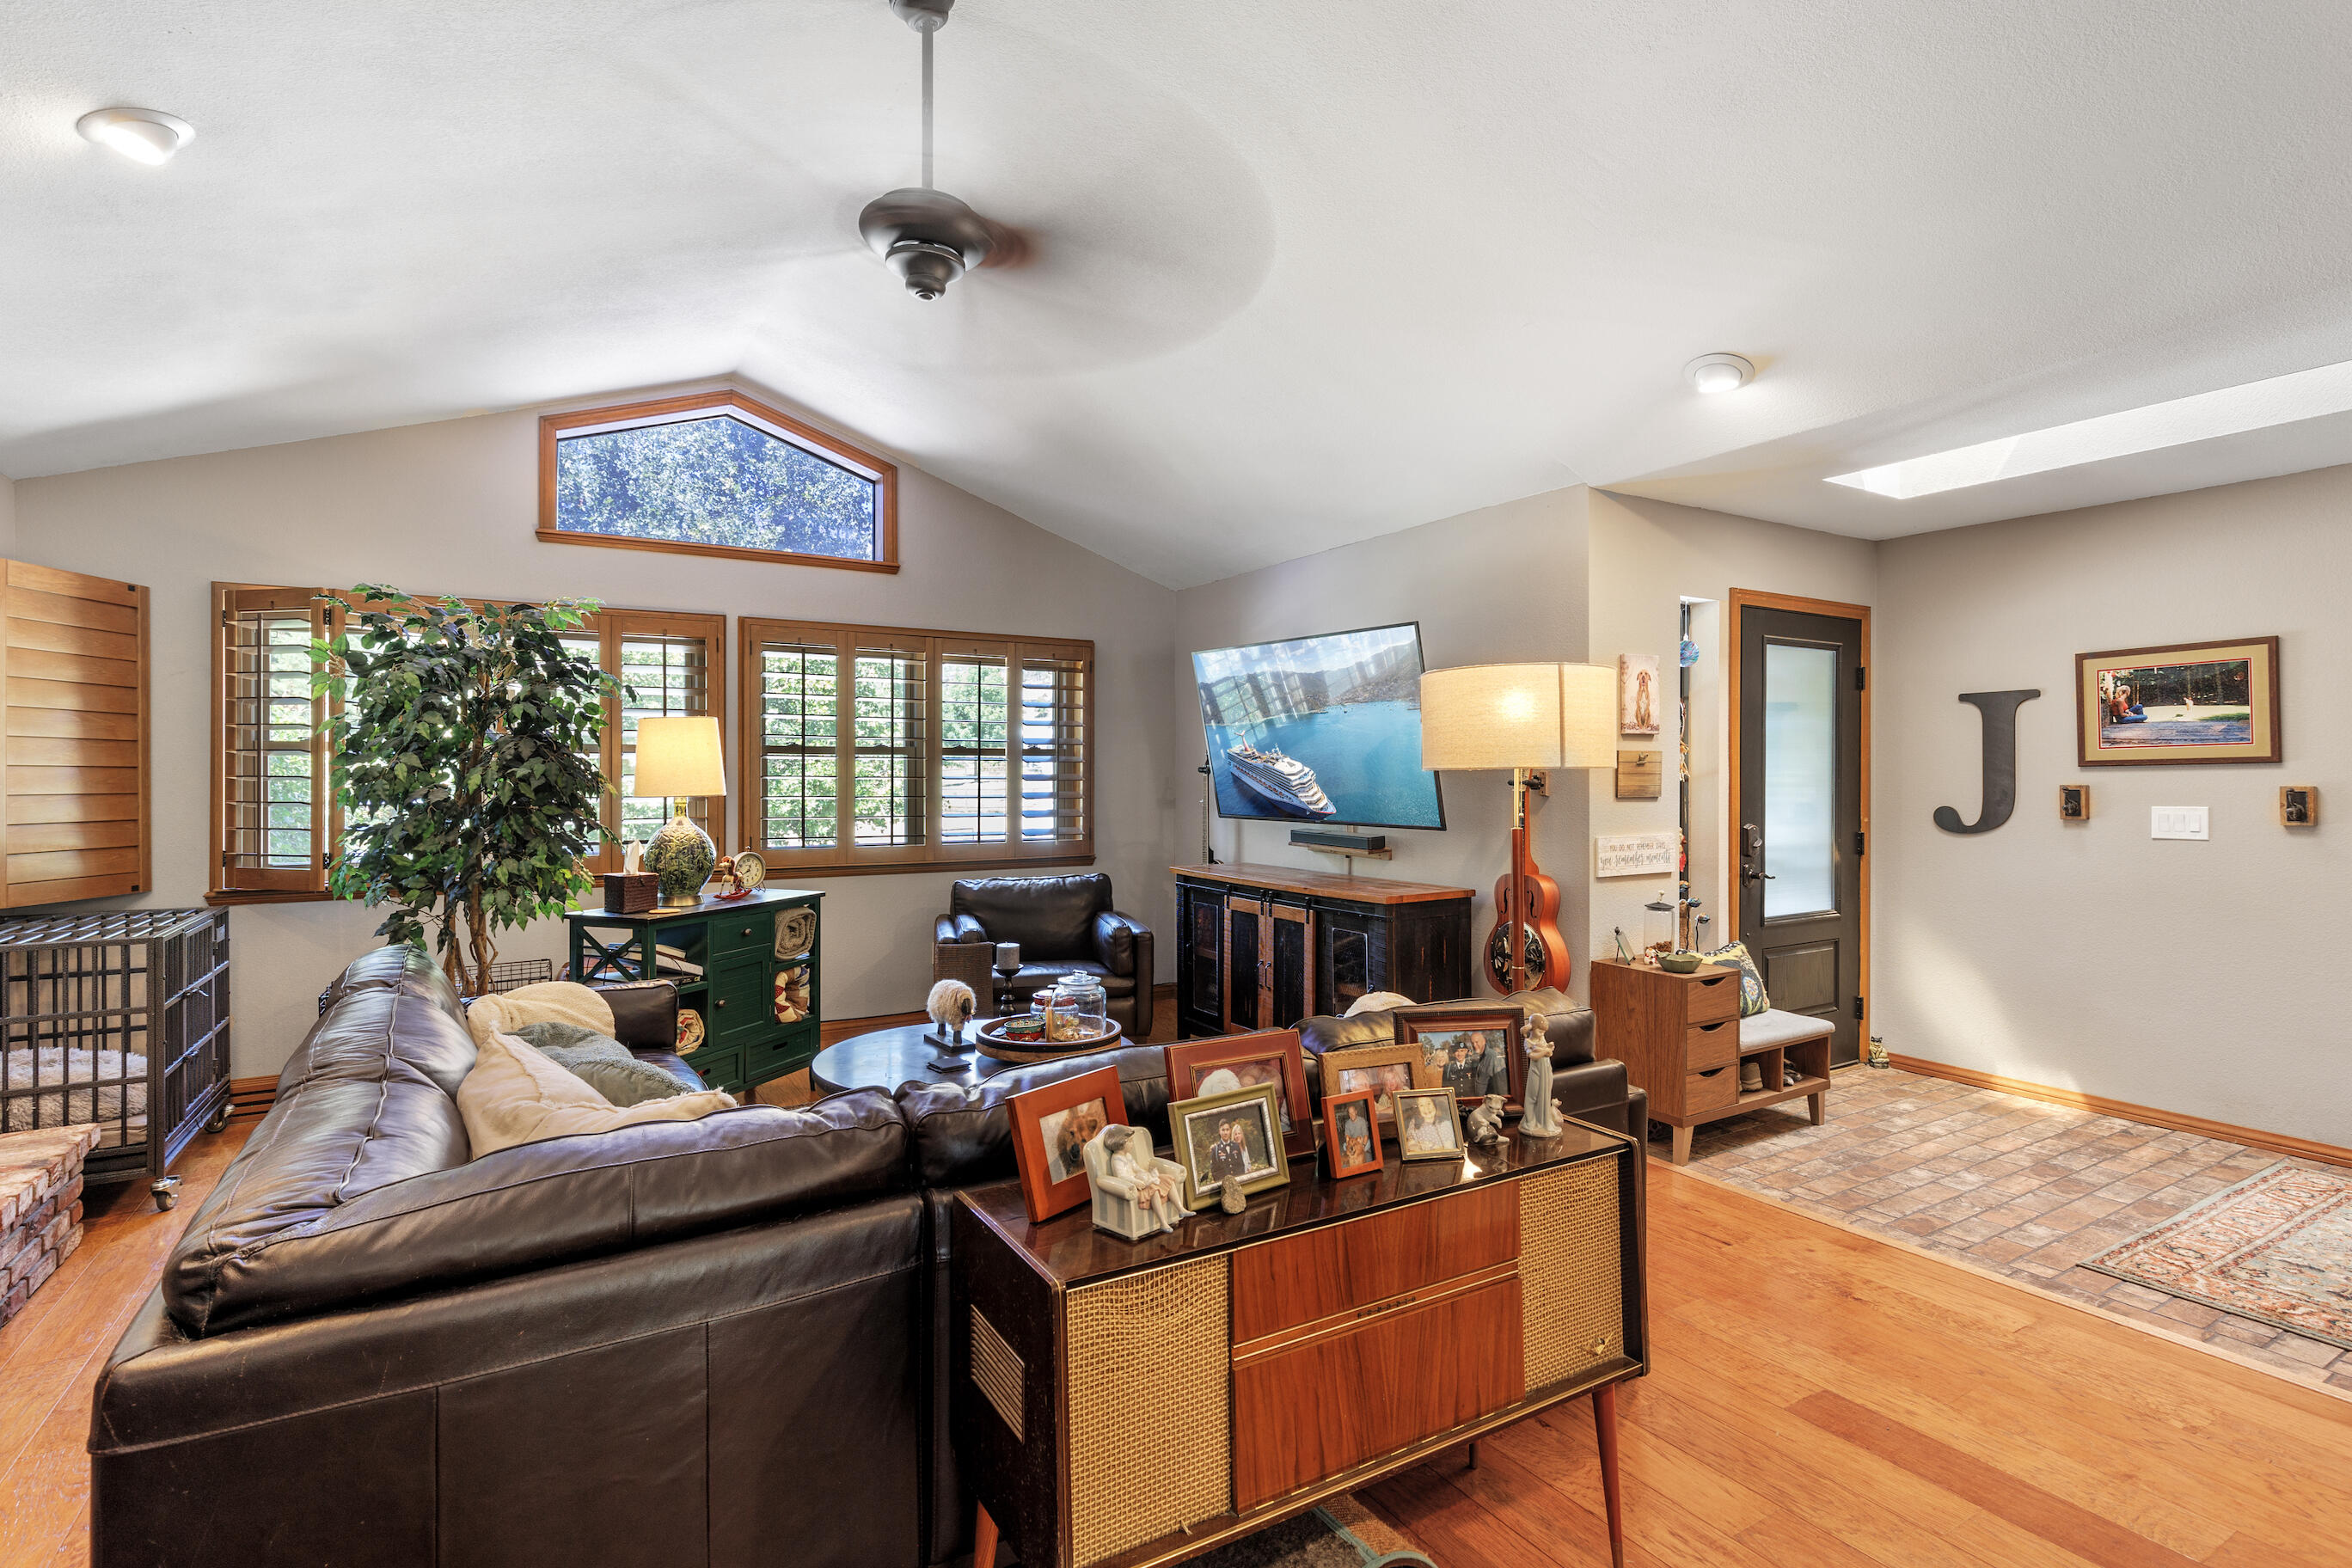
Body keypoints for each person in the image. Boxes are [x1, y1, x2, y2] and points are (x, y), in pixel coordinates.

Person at [1206, 1118, 1251, 1191]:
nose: (1225, 1132)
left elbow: (1241, 1165)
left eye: (1227, 1130)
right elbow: (1215, 1171)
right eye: (1223, 1130)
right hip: (1225, 1188)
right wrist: (1224, 1185)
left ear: (1230, 1131)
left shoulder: (1236, 1146)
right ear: (1219, 1132)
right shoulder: (1215, 1149)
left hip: (1238, 1185)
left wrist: (1238, 1181)